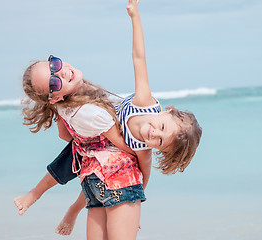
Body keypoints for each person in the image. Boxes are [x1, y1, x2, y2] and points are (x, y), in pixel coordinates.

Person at [14, 0, 202, 237]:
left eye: (160, 142)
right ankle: (67, 207)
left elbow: (144, 172)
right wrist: (135, 17)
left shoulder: (142, 147)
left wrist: (137, 199)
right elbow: (139, 59)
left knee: (81, 155)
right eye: (162, 126)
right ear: (165, 110)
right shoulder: (144, 103)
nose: (154, 133)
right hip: (101, 167)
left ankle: (69, 208)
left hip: (99, 172)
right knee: (79, 154)